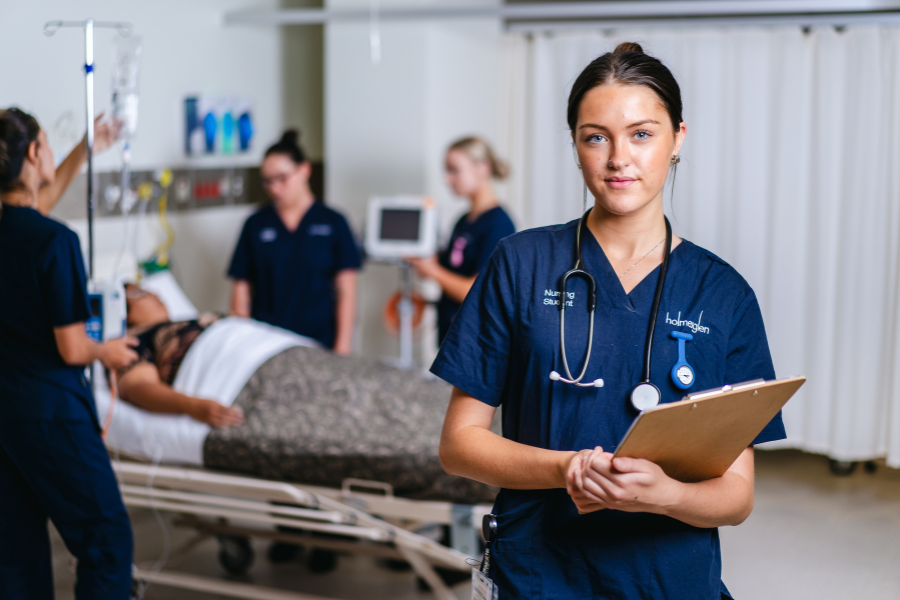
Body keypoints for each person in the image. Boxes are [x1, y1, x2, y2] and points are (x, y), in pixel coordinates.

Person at [432, 43, 786, 599]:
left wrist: (665, 494)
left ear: (678, 139)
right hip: (538, 575)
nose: (619, 157)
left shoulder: (724, 294)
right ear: (575, 146)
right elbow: (459, 443)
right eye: (596, 136)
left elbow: (736, 494)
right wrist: (569, 469)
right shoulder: (520, 264)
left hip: (668, 579)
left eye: (642, 134)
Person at [0, 108, 137, 599]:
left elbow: (30, 207)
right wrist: (110, 351)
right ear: (35, 153)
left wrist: (86, 146)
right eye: (48, 144)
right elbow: (73, 347)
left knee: (14, 554)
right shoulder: (56, 241)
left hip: (5, 417)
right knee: (107, 540)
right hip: (49, 413)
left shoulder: (21, 231)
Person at [228, 130, 362, 354]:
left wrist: (342, 349)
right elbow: (241, 293)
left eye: (282, 178)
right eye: (267, 181)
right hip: (265, 342)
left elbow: (346, 292)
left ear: (304, 170)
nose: (274, 188)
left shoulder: (334, 222)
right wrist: (241, 346)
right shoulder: (256, 224)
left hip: (319, 341)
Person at [407, 137, 515, 343]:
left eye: (454, 170)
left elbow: (475, 290)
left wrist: (433, 271)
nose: (447, 179)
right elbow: (451, 270)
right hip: (451, 334)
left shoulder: (499, 224)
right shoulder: (463, 220)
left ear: (483, 168)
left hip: (475, 341)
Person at [116, 285, 244, 428]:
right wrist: (192, 405)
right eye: (140, 293)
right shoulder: (134, 340)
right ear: (122, 311)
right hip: (240, 368)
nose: (154, 294)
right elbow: (137, 387)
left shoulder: (182, 322)